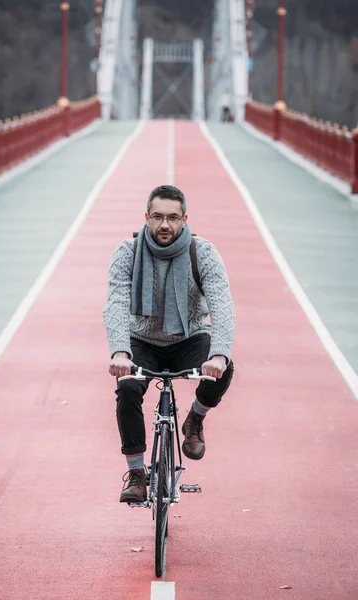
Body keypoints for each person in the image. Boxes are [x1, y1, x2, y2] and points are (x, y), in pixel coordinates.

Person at [103, 185, 235, 504]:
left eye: (173, 218)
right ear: (146, 217)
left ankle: (196, 418)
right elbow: (116, 301)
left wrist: (218, 355)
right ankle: (136, 473)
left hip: (189, 337)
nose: (165, 225)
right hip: (141, 340)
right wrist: (120, 350)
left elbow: (221, 303)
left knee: (226, 369)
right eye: (158, 217)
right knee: (128, 388)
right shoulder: (129, 251)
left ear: (184, 218)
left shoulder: (201, 252)